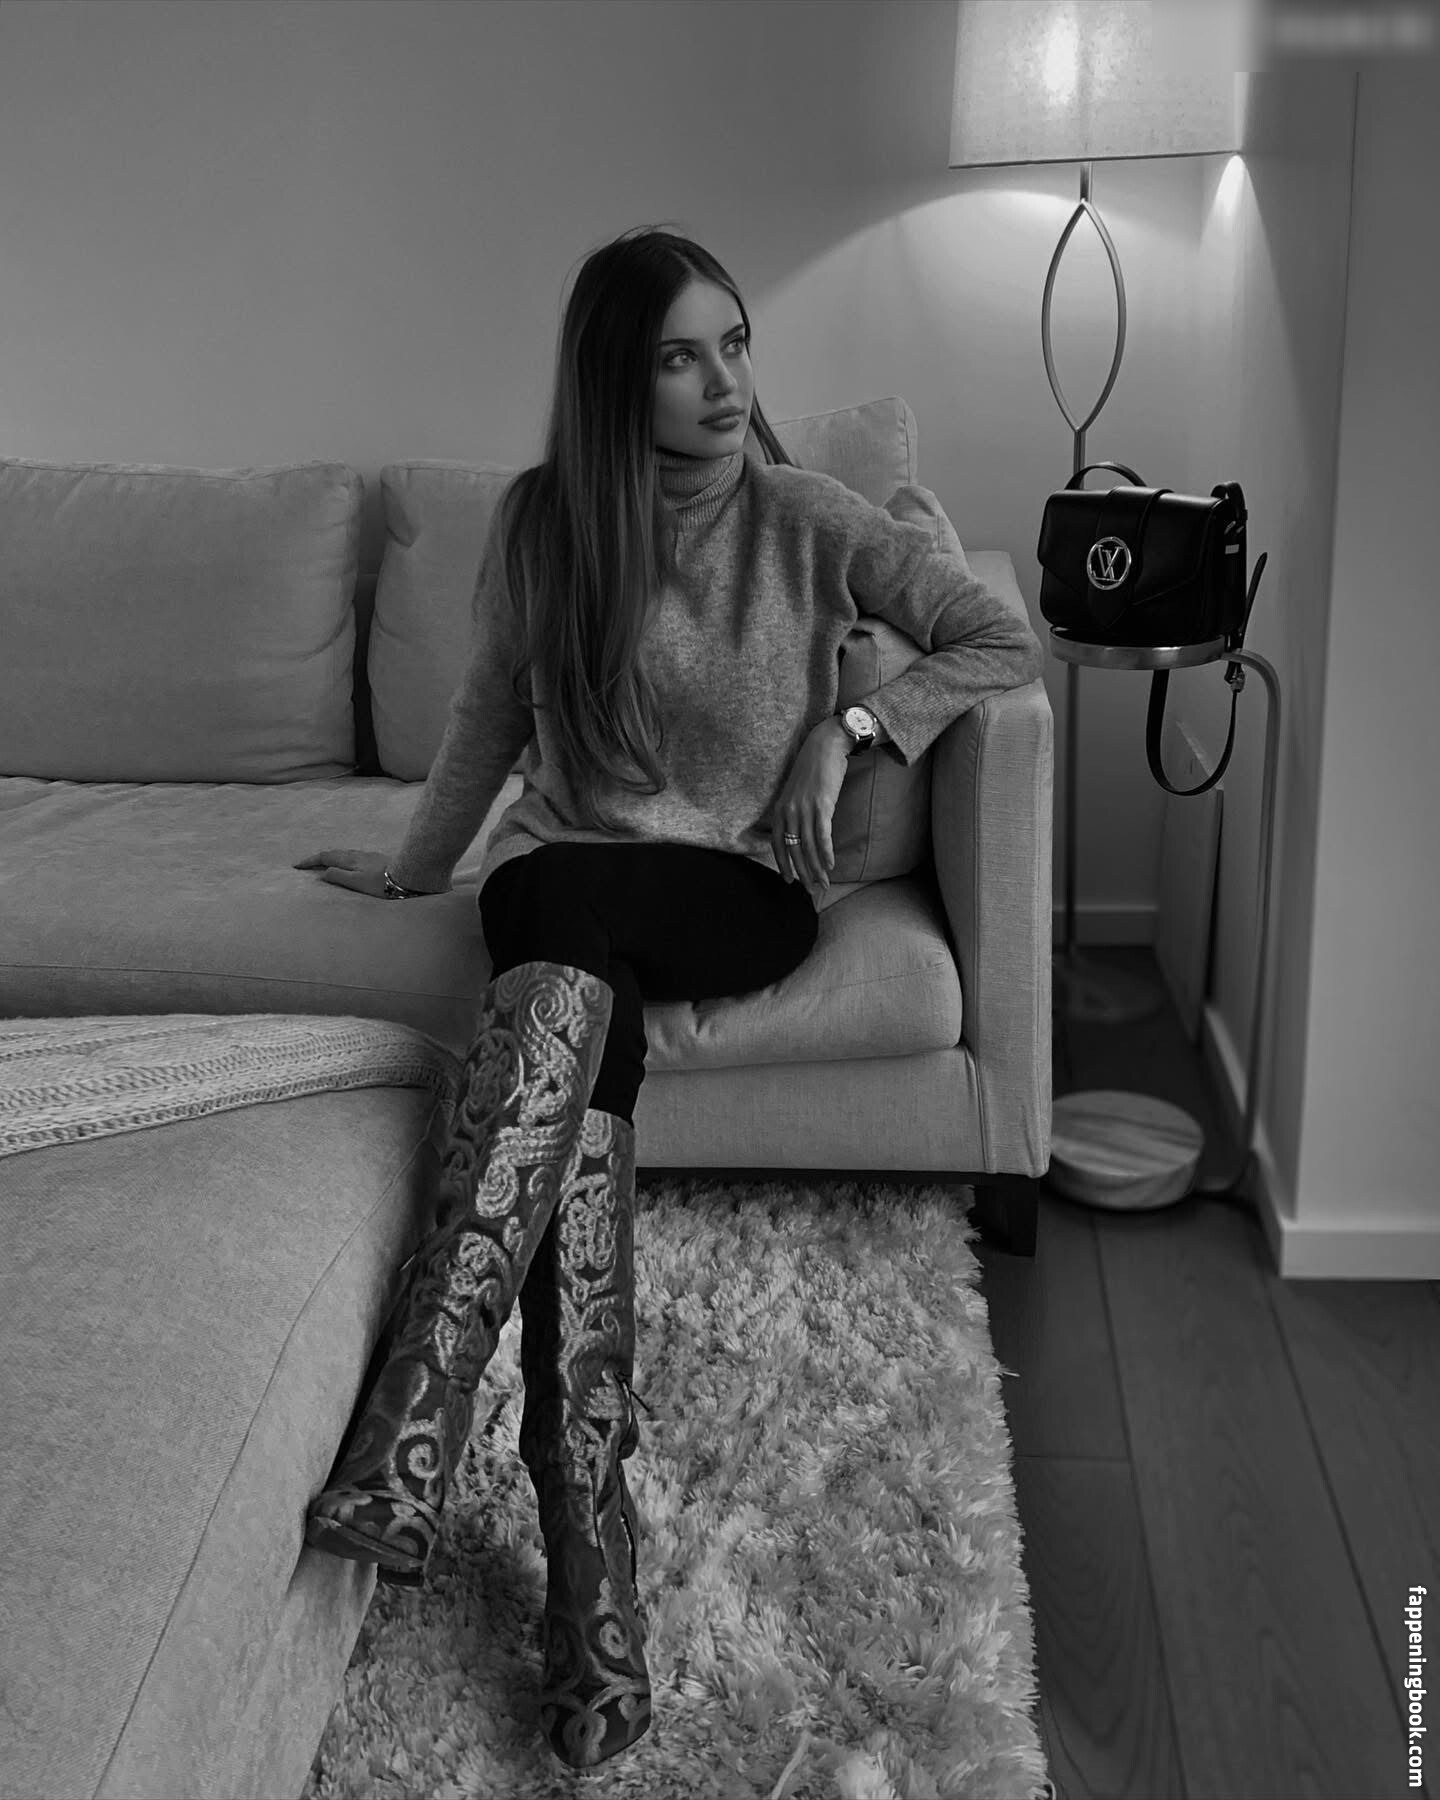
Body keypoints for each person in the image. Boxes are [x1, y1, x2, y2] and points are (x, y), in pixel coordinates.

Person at [295, 223, 1044, 1770]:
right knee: (572, 958)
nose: (723, 383)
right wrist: (415, 866)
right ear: (614, 383)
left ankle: (427, 1394)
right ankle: (589, 1553)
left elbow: (998, 634)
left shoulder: (807, 519)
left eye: (734, 345)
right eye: (680, 358)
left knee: (566, 915)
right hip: (563, 889)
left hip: (733, 894)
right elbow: (490, 717)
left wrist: (851, 728)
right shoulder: (548, 524)